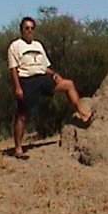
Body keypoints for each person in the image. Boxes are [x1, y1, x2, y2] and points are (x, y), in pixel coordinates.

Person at [7, 16, 93, 158]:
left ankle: (83, 114)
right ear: (21, 30)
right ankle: (18, 149)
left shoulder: (38, 45)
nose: (29, 31)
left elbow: (45, 67)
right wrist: (17, 88)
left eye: (31, 28)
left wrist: (54, 75)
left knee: (68, 84)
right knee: (22, 115)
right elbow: (13, 69)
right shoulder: (15, 46)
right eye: (26, 28)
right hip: (27, 80)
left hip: (42, 78)